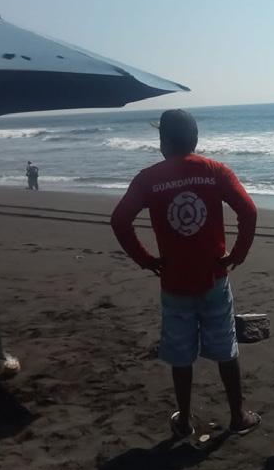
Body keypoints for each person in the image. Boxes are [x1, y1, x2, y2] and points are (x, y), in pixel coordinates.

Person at [110, 109, 261, 436]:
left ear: (163, 142)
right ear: (195, 139)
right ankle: (237, 415)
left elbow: (120, 221)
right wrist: (237, 254)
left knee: (180, 354)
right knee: (226, 347)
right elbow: (249, 212)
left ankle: (184, 421)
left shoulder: (149, 179)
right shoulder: (215, 171)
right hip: (214, 278)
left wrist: (146, 259)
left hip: (174, 282)